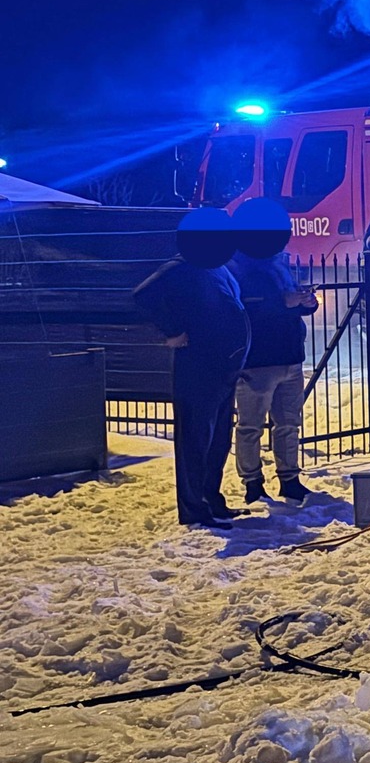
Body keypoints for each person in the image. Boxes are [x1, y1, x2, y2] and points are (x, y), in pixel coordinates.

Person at [133, 208, 251, 528]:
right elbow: (143, 295)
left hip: (223, 369)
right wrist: (172, 331)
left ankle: (211, 500)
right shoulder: (181, 266)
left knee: (217, 441)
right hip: (198, 367)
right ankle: (194, 509)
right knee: (196, 442)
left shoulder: (217, 267)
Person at [228, 198, 316, 504]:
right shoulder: (236, 266)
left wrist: (305, 303)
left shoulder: (278, 263)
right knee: (250, 426)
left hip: (290, 355)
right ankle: (252, 483)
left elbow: (288, 302)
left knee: (289, 423)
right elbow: (242, 310)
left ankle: (289, 479)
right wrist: (284, 302)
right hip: (258, 360)